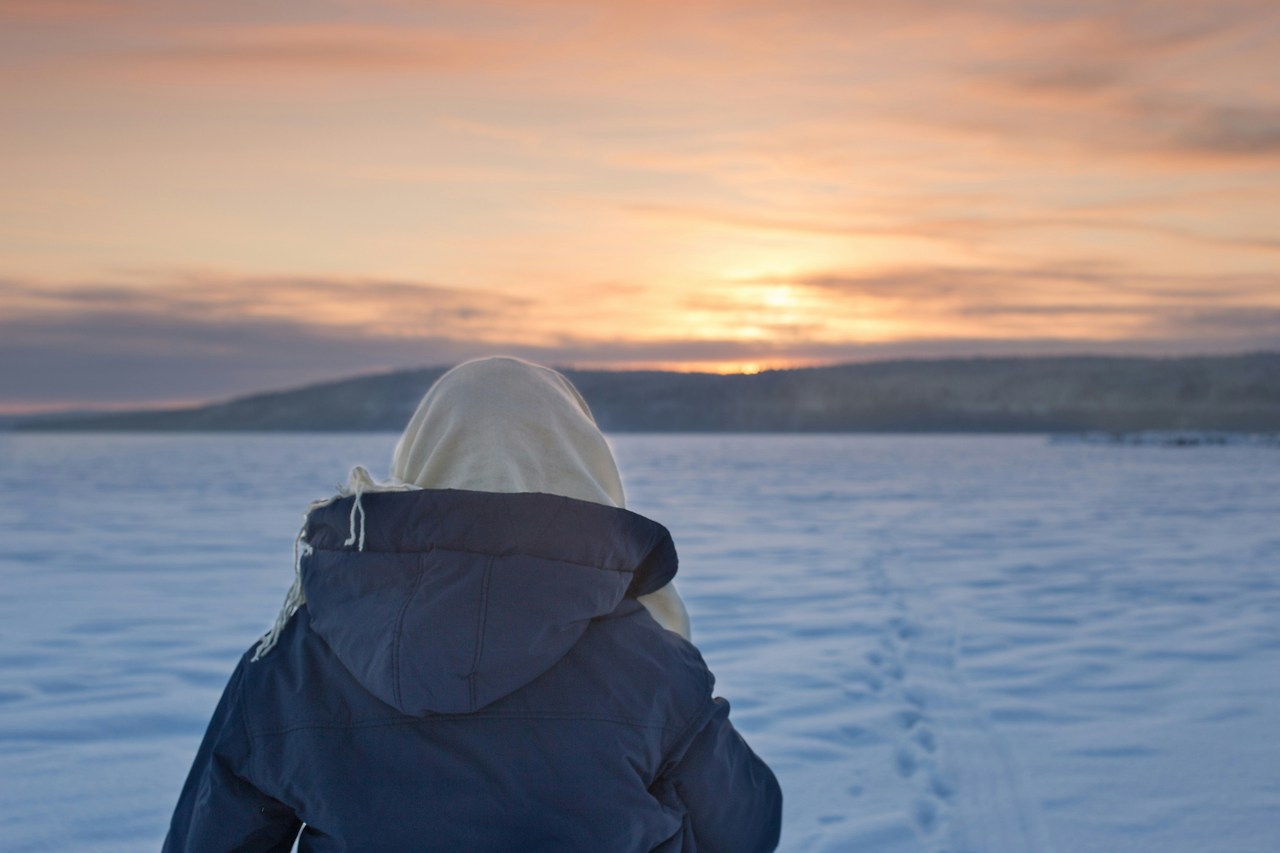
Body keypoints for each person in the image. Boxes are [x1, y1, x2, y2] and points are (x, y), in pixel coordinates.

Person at [162, 355, 782, 852]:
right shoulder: (651, 661)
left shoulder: (292, 659)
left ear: (419, 460)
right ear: (584, 467)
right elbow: (746, 829)